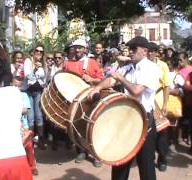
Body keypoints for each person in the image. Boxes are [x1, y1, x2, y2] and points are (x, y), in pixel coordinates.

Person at [89, 36, 159, 180]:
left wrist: (120, 78)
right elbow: (111, 80)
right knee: (120, 161)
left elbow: (136, 91)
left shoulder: (151, 68)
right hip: (125, 121)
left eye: (134, 49)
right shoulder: (129, 67)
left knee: (146, 165)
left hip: (144, 121)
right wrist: (97, 87)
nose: (130, 52)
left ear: (145, 51)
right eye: (129, 49)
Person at [64, 38, 103, 167]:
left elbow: (102, 80)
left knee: (93, 127)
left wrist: (91, 79)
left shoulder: (92, 62)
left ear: (85, 49)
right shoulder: (68, 63)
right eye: (75, 47)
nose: (77, 50)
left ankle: (96, 154)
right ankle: (81, 151)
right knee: (78, 126)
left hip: (90, 99)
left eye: (80, 47)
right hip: (74, 99)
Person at [148, 42, 170, 172]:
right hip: (146, 102)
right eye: (148, 51)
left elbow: (167, 85)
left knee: (162, 132)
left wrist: (165, 104)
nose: (150, 53)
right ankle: (149, 158)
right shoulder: (142, 65)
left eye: (152, 51)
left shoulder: (163, 65)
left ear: (156, 52)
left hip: (159, 101)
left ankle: (162, 159)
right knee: (148, 132)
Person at [24, 44, 46, 149]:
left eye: (41, 51)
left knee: (39, 116)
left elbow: (44, 79)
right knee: (30, 117)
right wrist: (34, 69)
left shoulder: (43, 63)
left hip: (38, 92)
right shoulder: (28, 61)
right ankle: (31, 140)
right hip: (28, 91)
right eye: (37, 50)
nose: (39, 53)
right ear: (33, 51)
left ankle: (41, 139)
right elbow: (28, 75)